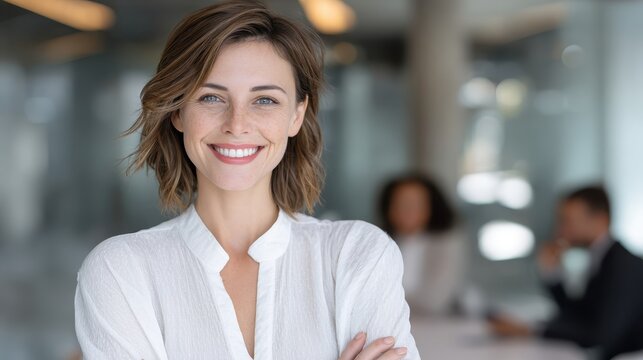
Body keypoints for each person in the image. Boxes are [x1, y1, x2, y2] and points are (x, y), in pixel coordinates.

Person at [73, 1, 420, 359]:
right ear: (178, 111)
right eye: (210, 97)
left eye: (265, 100)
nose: (236, 124)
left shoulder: (356, 255)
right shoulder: (120, 270)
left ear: (296, 115)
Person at [488, 186, 643, 360]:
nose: (560, 230)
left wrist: (531, 330)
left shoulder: (624, 266)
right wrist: (553, 274)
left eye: (567, 221)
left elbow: (599, 334)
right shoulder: (601, 258)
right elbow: (577, 315)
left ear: (600, 220)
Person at [379, 173, 467, 315]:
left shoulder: (446, 243)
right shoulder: (379, 242)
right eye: (400, 203)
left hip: (437, 324)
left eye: (415, 204)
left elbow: (435, 299)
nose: (407, 210)